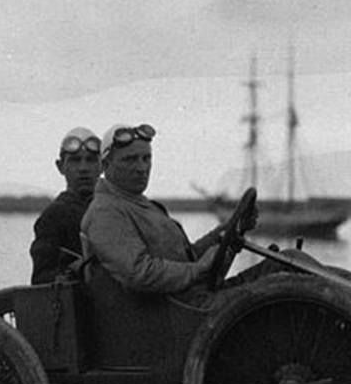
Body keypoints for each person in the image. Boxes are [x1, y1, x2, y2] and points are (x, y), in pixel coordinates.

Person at [80, 123, 229, 304]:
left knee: (271, 270)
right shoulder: (105, 212)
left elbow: (185, 257)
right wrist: (198, 269)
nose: (142, 168)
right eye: (130, 159)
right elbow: (140, 272)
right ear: (105, 165)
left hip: (189, 304)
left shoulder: (142, 206)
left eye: (146, 158)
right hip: (172, 317)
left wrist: (221, 235)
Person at [29, 126, 102, 284]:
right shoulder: (54, 216)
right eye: (75, 160)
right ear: (60, 166)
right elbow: (41, 279)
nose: (83, 168)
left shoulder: (114, 209)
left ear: (102, 166)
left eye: (90, 160)